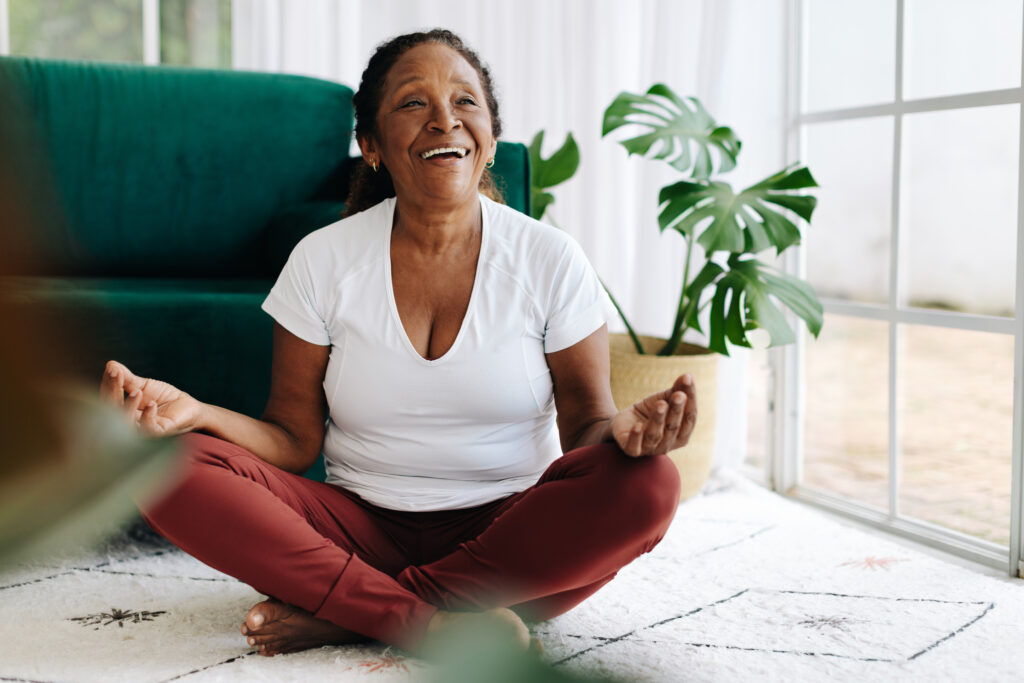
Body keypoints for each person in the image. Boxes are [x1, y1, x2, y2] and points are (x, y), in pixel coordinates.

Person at [99, 28, 695, 657]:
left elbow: (586, 432)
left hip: (509, 534)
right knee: (161, 465)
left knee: (648, 484)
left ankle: (357, 612)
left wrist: (628, 433)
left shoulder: (550, 259)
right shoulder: (323, 260)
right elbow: (293, 440)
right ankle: (425, 617)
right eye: (414, 103)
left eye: (466, 103)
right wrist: (196, 414)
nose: (445, 121)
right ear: (372, 144)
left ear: (490, 137)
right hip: (353, 529)